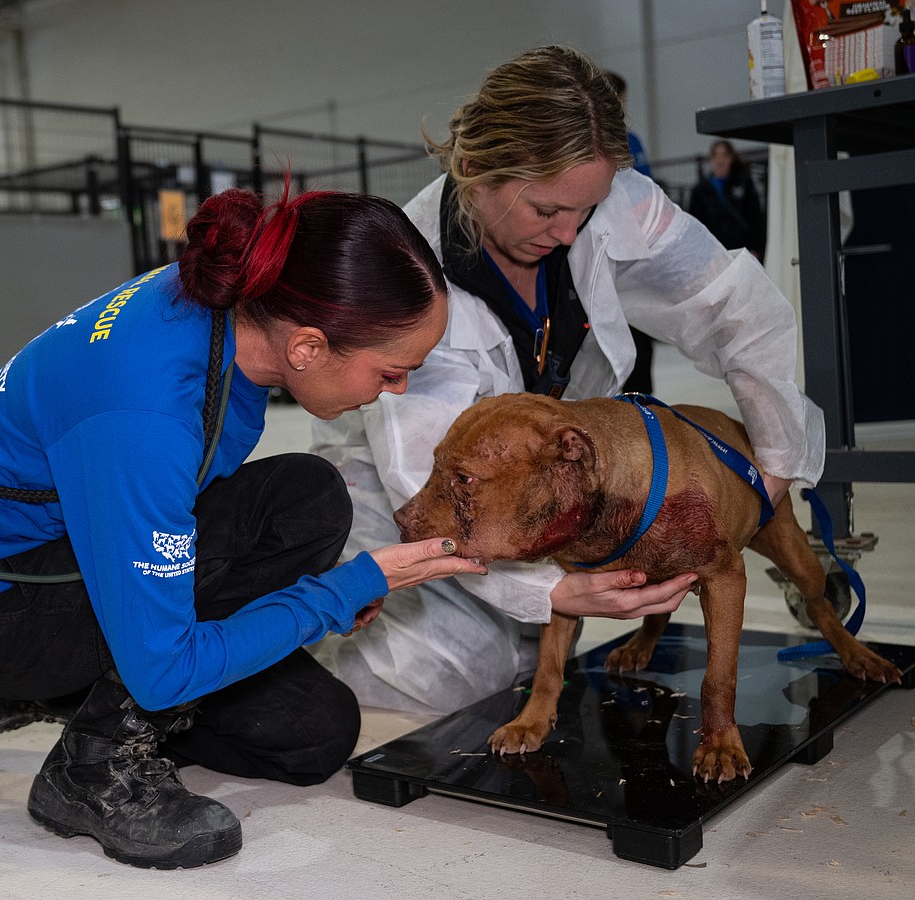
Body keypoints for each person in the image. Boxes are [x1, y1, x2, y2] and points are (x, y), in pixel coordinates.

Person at [0, 183, 486, 870]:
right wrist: (345, 589)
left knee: (313, 734)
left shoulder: (222, 312)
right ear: (309, 347)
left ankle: (63, 698)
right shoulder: (146, 411)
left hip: (66, 564)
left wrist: (328, 594)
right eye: (393, 372)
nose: (398, 390)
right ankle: (88, 768)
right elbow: (166, 671)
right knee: (303, 501)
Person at [309, 45, 824, 716]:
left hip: (538, 488)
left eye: (585, 208)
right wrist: (548, 594)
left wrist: (777, 462)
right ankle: (300, 638)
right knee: (465, 675)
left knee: (552, 649)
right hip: (406, 488)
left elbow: (736, 306)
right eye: (546, 210)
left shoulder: (604, 202)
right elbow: (419, 470)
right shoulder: (415, 269)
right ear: (473, 171)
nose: (569, 230)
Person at [605, 69, 655, 393]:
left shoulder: (631, 141)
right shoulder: (590, 143)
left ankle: (644, 405)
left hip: (634, 251)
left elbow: (647, 190)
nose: (621, 107)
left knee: (640, 334)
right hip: (608, 251)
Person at [688, 139, 767, 260]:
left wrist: (755, 247)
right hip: (714, 252)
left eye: (724, 155)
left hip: (742, 248)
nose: (720, 160)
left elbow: (755, 216)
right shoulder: (700, 189)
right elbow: (696, 223)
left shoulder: (744, 183)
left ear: (731, 158)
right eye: (716, 155)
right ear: (711, 158)